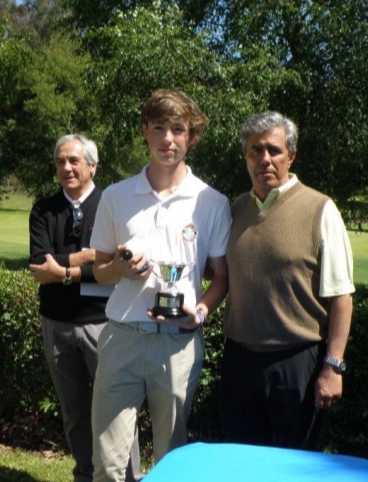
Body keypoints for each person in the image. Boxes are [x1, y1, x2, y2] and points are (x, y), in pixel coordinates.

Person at [89, 89, 231, 482]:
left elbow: (222, 276)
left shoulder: (211, 201)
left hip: (178, 342)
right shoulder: (116, 196)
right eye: (159, 128)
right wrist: (118, 268)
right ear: (144, 132)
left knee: (172, 465)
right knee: (108, 465)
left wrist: (199, 313)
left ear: (191, 136)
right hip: (121, 339)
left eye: (178, 129)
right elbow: (100, 269)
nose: (168, 139)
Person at [222, 111, 355, 449]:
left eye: (274, 150)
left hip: (297, 364)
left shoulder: (320, 209)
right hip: (239, 360)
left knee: (294, 464)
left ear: (291, 155)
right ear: (245, 156)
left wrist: (333, 366)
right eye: (255, 150)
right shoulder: (236, 209)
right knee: (243, 464)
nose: (264, 159)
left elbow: (341, 295)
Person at [29, 134, 141, 482]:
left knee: (117, 410)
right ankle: (85, 475)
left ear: (92, 165)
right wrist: (90, 257)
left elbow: (116, 264)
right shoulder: (43, 209)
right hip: (57, 323)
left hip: (104, 322)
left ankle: (130, 477)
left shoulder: (114, 203)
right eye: (61, 161)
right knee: (75, 411)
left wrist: (61, 270)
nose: (67, 168)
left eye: (74, 161)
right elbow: (38, 265)